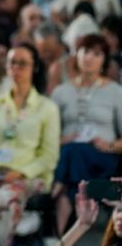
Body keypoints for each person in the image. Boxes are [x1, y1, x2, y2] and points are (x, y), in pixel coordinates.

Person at [0, 43, 60, 246]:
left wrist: (20, 173)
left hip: (29, 176)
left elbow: (48, 157)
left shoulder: (47, 108)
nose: (16, 68)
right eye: (11, 63)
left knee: (7, 197)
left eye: (22, 63)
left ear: (35, 68)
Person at [51, 34, 122, 234]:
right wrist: (62, 139)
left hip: (103, 157)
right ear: (76, 55)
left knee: (73, 152)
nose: (89, 57)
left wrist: (108, 145)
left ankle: (60, 230)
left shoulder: (116, 92)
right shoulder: (60, 92)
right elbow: (48, 137)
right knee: (72, 152)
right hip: (66, 155)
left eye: (96, 53)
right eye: (85, 51)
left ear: (104, 60)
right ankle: (69, 211)